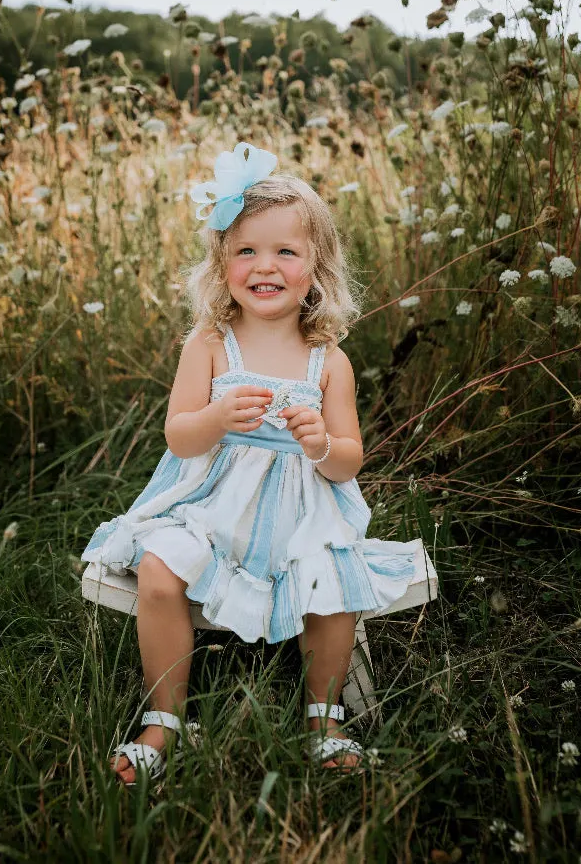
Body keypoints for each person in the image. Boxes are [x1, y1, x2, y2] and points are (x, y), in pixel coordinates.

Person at [81, 140, 438, 785]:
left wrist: (320, 444)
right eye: (246, 250)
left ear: (315, 267)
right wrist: (216, 419)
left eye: (284, 251)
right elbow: (179, 436)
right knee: (162, 573)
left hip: (303, 511)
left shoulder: (328, 360)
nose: (263, 265)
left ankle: (323, 719)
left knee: (331, 586)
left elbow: (350, 458)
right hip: (213, 506)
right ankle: (166, 720)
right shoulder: (210, 344)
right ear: (222, 264)